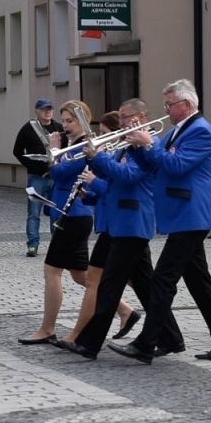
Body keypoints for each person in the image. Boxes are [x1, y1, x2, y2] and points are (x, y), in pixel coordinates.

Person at [114, 79, 211, 362]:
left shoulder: (200, 131)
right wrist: (137, 146)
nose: (166, 110)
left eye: (169, 105)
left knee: (162, 280)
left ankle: (147, 342)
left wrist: (150, 145)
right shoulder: (177, 130)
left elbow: (177, 165)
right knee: (199, 282)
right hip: (182, 214)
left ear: (186, 104)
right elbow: (156, 166)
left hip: (191, 214)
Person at [57, 100, 187, 360]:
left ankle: (89, 343)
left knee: (110, 285)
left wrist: (100, 157)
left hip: (133, 220)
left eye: (126, 117)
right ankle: (171, 337)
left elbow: (128, 176)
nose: (123, 121)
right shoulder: (127, 145)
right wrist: (90, 187)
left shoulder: (148, 144)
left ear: (141, 116)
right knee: (145, 286)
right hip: (121, 220)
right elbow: (113, 182)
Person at [57, 104, 139, 349]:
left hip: (126, 224)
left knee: (105, 283)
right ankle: (88, 337)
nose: (103, 136)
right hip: (110, 222)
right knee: (104, 281)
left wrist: (94, 175)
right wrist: (88, 194)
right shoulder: (117, 153)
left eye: (106, 131)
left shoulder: (131, 152)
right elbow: (107, 188)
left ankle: (84, 338)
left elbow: (123, 182)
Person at [17, 100, 95, 345]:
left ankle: (47, 328)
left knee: (52, 271)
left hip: (75, 215)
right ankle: (126, 311)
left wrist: (53, 151)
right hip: (68, 213)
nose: (66, 125)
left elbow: (59, 173)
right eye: (66, 120)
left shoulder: (84, 145)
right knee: (81, 276)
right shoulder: (73, 144)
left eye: (70, 121)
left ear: (82, 120)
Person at [14, 99, 64, 257]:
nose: (47, 112)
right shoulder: (29, 128)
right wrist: (31, 165)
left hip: (56, 176)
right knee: (33, 212)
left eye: (50, 109)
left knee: (56, 212)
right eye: (44, 109)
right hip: (36, 177)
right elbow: (17, 150)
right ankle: (33, 244)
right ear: (37, 111)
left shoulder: (59, 128)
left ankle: (56, 244)